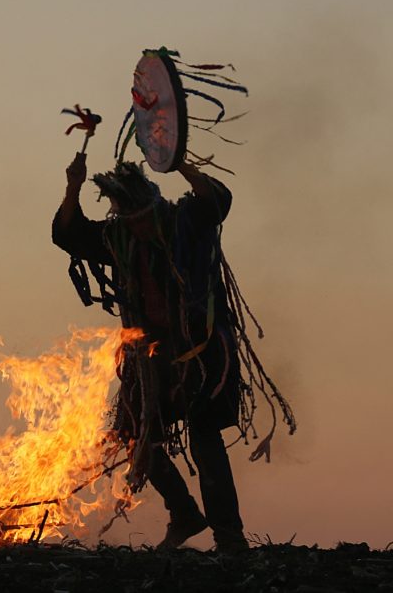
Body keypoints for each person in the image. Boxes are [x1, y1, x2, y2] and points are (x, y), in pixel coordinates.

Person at [52, 152, 251, 553]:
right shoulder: (120, 238)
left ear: (154, 206)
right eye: (130, 220)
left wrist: (178, 162)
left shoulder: (185, 223)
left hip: (203, 354)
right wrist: (74, 186)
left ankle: (230, 540)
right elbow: (67, 235)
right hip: (151, 359)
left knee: (206, 439)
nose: (139, 227)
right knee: (136, 433)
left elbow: (218, 200)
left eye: (142, 218)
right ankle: (184, 513)